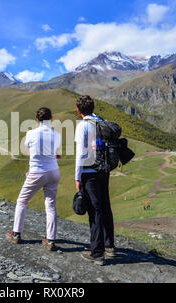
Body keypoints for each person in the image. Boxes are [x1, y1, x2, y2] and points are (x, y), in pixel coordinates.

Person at [7, 107, 61, 251]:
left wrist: (32, 172)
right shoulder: (56, 134)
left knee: (22, 201)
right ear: (51, 119)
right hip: (54, 172)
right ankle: (50, 240)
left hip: (37, 172)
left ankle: (16, 233)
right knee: (50, 206)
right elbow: (56, 154)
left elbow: (31, 154)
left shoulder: (31, 133)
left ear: (37, 119)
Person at [74, 95, 117, 265]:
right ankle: (109, 246)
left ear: (79, 111)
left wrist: (77, 177)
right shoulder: (101, 121)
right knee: (105, 206)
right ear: (93, 107)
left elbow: (80, 153)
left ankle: (97, 253)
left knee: (94, 210)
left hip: (89, 172)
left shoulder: (83, 126)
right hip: (103, 171)